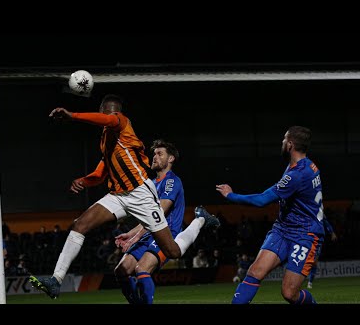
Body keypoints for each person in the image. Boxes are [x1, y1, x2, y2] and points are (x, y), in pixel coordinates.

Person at [29, 94, 218, 299]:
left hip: (141, 193)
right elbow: (101, 173)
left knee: (172, 251)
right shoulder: (106, 141)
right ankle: (56, 280)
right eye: (107, 114)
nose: (110, 116)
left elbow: (110, 120)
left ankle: (199, 221)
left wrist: (72, 115)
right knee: (79, 224)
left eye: (111, 113)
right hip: (118, 195)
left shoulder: (122, 122)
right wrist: (84, 180)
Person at [216, 126, 324, 305]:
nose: (281, 143)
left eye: (284, 139)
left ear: (290, 145)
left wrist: (230, 195)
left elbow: (262, 200)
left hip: (305, 235)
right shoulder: (306, 165)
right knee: (255, 271)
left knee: (289, 294)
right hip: (283, 230)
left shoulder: (298, 174)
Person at [114, 139, 216, 304]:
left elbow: (158, 214)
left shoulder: (171, 181)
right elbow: (147, 218)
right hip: (149, 232)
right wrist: (130, 234)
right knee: (121, 270)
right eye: (154, 154)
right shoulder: (151, 184)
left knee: (142, 269)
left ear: (171, 159)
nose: (154, 157)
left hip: (165, 235)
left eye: (159, 154)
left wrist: (136, 237)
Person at [307, 216, 337, 289]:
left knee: (314, 262)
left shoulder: (319, 211)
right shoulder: (306, 210)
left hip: (317, 240)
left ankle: (310, 282)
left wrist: (332, 232)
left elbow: (326, 222)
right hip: (307, 238)